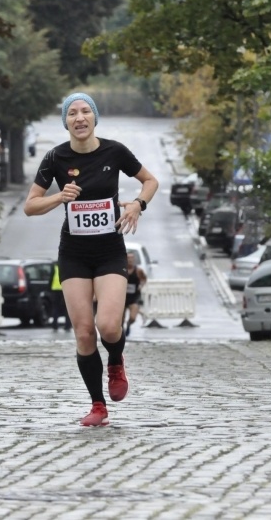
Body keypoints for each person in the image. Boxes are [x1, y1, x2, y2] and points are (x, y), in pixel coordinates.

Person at [24, 92, 159, 426]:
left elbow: (150, 181)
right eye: (72, 113)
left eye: (85, 111)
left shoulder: (114, 151)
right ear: (66, 121)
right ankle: (98, 405)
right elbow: (30, 205)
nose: (79, 117)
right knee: (84, 333)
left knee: (108, 325)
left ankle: (116, 360)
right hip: (74, 253)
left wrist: (137, 205)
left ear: (95, 118)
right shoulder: (55, 157)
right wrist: (59, 197)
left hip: (110, 251)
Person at [123, 251, 147, 337]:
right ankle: (122, 331)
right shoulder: (122, 269)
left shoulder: (138, 270)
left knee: (133, 317)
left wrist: (141, 285)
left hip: (134, 296)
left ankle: (129, 324)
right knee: (120, 319)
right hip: (123, 297)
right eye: (128, 258)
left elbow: (144, 279)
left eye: (132, 258)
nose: (130, 260)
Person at [49, 261, 71, 331]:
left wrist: (49, 288)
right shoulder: (67, 265)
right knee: (67, 308)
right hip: (64, 289)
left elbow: (50, 278)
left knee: (55, 308)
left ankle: (55, 325)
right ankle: (67, 325)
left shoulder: (54, 266)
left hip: (55, 290)